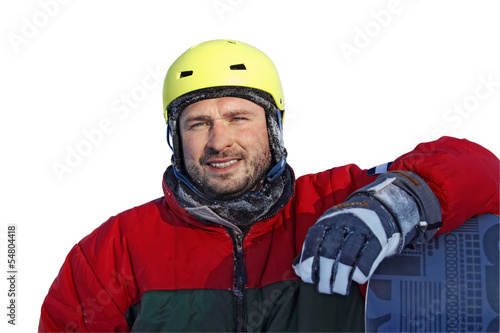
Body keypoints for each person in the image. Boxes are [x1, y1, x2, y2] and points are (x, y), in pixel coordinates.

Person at [39, 39, 499, 332]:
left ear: (273, 127)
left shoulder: (333, 202)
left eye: (239, 117)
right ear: (175, 139)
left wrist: (397, 201)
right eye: (198, 123)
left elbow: (482, 171)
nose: (220, 141)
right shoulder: (111, 252)